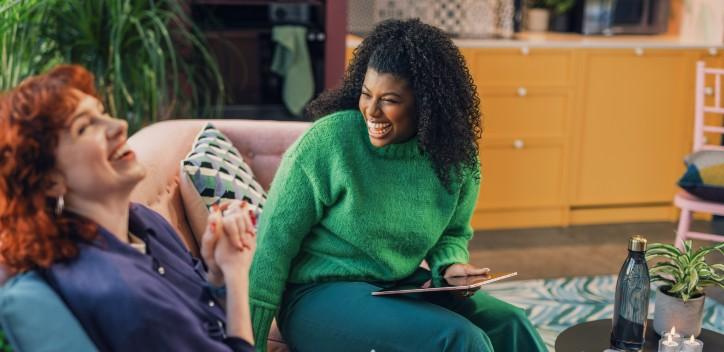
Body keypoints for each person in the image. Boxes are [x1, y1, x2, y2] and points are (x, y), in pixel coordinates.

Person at [249, 19, 546, 352]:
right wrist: (248, 345)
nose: (371, 111)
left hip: (397, 288)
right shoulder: (329, 142)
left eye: (389, 99)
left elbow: (453, 233)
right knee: (462, 340)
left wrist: (451, 265)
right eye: (365, 94)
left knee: (511, 323)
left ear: (426, 104)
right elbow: (272, 247)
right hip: (316, 297)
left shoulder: (454, 157)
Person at [0, 65, 257, 351]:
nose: (118, 125)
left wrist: (218, 272)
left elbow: (208, 311)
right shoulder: (118, 291)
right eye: (84, 127)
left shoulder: (144, 222)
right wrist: (235, 275)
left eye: (103, 113)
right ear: (49, 181)